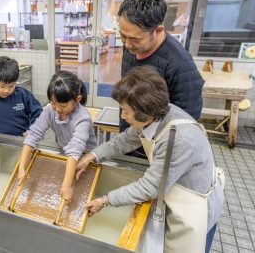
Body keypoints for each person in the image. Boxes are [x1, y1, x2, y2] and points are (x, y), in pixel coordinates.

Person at [76, 66, 224, 253]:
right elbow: (123, 141)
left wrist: (105, 200)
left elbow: (150, 187)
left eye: (125, 111)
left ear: (144, 111)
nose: (123, 116)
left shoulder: (179, 139)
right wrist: (92, 155)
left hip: (192, 203)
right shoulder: (154, 115)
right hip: (170, 187)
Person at [118, 0, 204, 132]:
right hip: (129, 134)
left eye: (135, 39)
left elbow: (188, 118)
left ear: (158, 30)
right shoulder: (130, 47)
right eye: (123, 36)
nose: (127, 45)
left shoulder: (180, 64)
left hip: (157, 142)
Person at [17, 70, 97, 202]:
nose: (58, 109)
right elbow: (33, 134)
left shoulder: (83, 118)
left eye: (63, 105)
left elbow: (75, 150)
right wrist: (22, 168)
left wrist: (66, 186)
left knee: (82, 195)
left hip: (86, 158)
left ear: (77, 100)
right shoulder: (50, 110)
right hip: (67, 155)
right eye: (54, 103)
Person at [0, 56, 42, 139]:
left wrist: (33, 130)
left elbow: (38, 113)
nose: (7, 90)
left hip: (23, 139)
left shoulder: (23, 94)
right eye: (2, 86)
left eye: (11, 86)